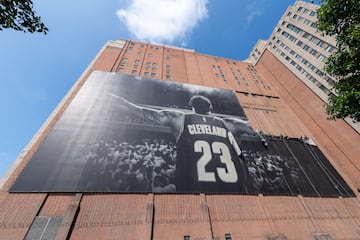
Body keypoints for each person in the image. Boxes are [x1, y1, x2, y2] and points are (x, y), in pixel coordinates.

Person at [107, 91, 253, 193]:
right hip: (235, 192)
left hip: (193, 192)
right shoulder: (230, 123)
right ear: (211, 109)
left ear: (192, 107)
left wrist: (107, 96)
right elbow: (259, 127)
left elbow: (136, 110)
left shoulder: (180, 118)